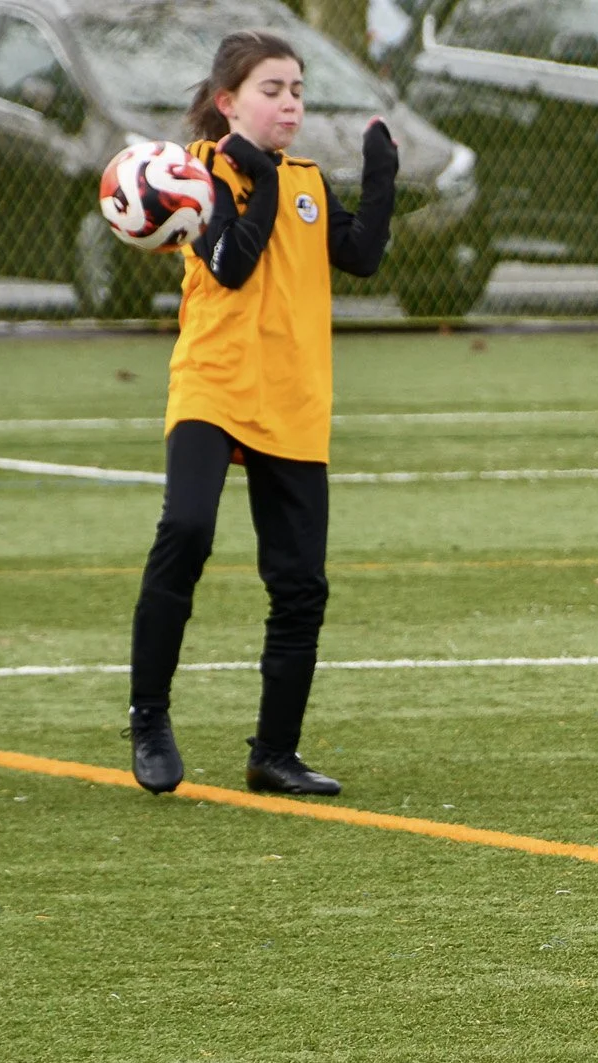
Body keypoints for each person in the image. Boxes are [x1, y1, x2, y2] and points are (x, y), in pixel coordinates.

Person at [125, 31, 396, 796]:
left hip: (293, 395)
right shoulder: (195, 175)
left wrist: (381, 176)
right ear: (228, 102)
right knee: (187, 530)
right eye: (272, 90)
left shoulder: (306, 179)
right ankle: (149, 717)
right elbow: (232, 264)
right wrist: (263, 178)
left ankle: (274, 754)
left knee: (300, 582)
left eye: (298, 91)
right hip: (213, 385)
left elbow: (362, 255)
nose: (290, 104)